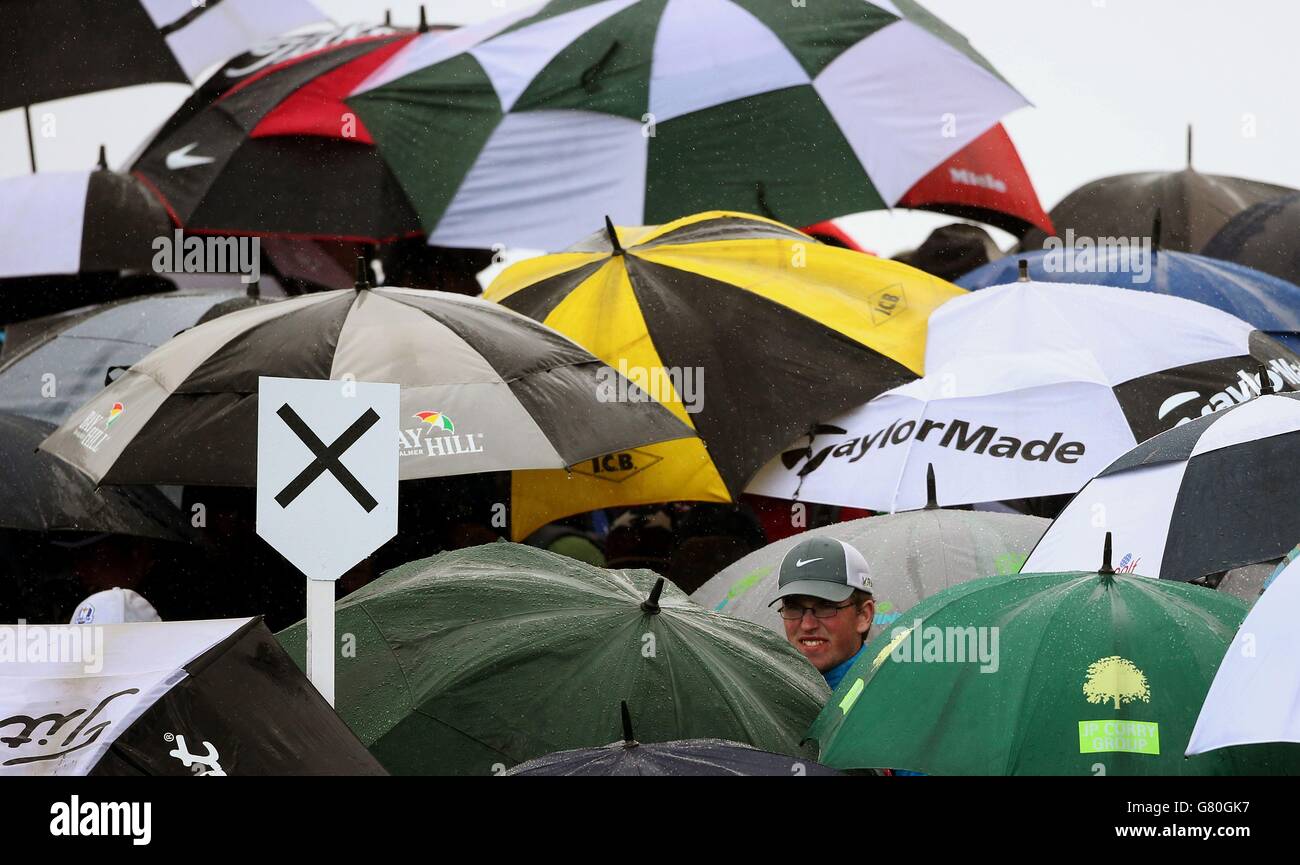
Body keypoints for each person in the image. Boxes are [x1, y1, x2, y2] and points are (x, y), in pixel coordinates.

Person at [768, 536, 874, 690]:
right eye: (794, 607)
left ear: (863, 615)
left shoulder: (892, 697)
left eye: (826, 606)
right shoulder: (768, 694)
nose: (807, 624)